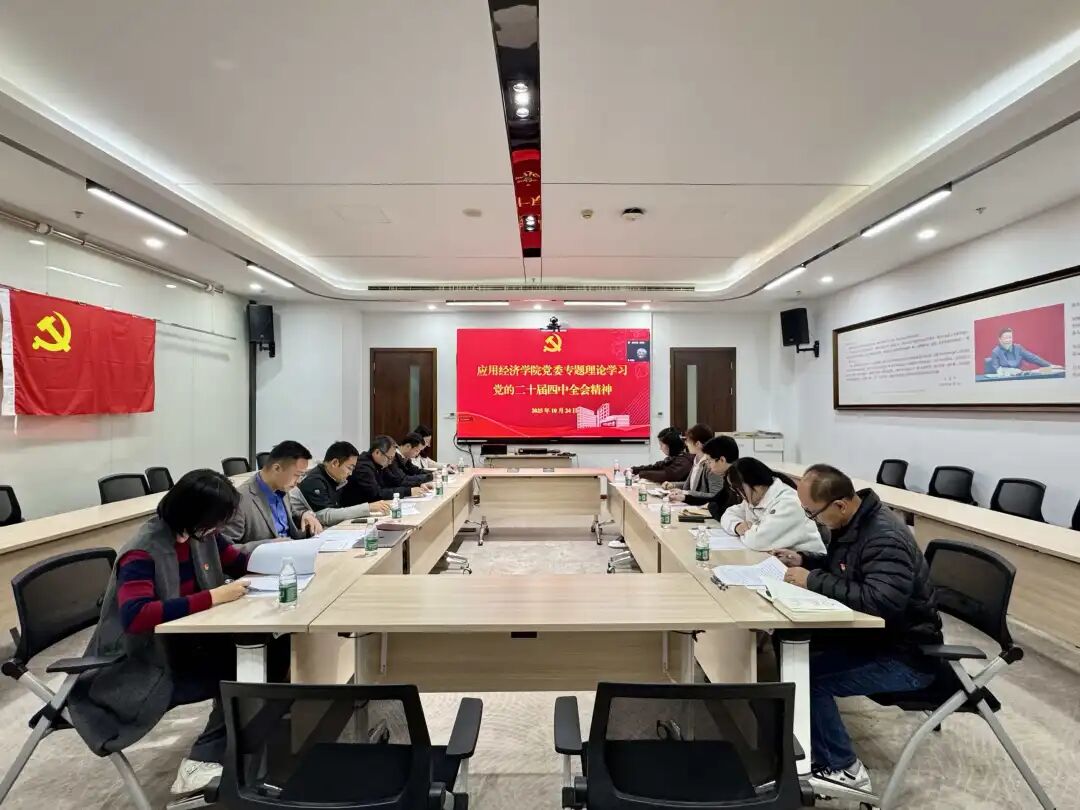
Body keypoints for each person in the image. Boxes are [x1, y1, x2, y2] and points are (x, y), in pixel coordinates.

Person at [67, 469, 285, 796]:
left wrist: (290, 560)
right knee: (246, 666)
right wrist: (213, 596)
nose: (219, 529)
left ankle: (240, 748)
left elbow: (236, 562)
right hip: (144, 663)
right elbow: (137, 615)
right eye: (216, 521)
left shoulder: (200, 533)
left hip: (189, 644)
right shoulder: (143, 551)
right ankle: (202, 761)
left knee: (271, 649)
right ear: (194, 514)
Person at [775, 463, 942, 794]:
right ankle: (804, 740)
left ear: (839, 504)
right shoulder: (854, 523)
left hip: (906, 656)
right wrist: (804, 561)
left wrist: (812, 580)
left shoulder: (884, 537)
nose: (811, 520)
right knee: (791, 650)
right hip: (876, 640)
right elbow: (845, 569)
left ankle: (844, 768)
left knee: (807, 679)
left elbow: (880, 601)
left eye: (812, 513)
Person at [610, 434, 740, 550]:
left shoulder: (737, 480)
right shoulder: (722, 474)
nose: (709, 466)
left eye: (710, 461)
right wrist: (684, 495)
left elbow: (718, 504)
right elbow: (715, 502)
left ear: (722, 460)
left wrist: (688, 496)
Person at [219, 440, 322, 549]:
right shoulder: (240, 500)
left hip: (293, 551)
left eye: (302, 476)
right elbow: (226, 549)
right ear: (276, 468)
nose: (299, 481)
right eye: (297, 475)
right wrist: (268, 545)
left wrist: (305, 515)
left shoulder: (283, 489)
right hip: (265, 558)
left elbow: (290, 515)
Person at [718, 457, 825, 553]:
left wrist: (746, 532)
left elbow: (757, 541)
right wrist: (737, 526)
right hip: (778, 560)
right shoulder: (754, 500)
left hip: (807, 564)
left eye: (739, 489)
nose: (738, 494)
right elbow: (728, 514)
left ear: (757, 483)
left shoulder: (789, 503)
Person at [291, 440, 388, 526]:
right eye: (349, 468)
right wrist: (368, 508)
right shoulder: (314, 480)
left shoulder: (334, 478)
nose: (350, 473)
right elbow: (325, 517)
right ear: (334, 463)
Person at [340, 435, 427, 506]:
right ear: (377, 452)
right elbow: (377, 494)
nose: (390, 462)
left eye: (392, 459)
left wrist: (417, 485)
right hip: (357, 510)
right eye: (389, 458)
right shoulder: (363, 466)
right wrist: (408, 491)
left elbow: (393, 481)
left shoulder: (380, 463)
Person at [663, 424, 724, 501]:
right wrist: (673, 485)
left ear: (698, 444)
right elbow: (692, 485)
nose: (686, 443)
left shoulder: (712, 465)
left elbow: (715, 495)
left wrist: (686, 494)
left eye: (688, 441)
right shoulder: (696, 459)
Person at [988, 327, 1063, 374]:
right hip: (1005, 381)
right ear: (1000, 339)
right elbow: (997, 370)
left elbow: (1033, 358)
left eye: (1010, 337)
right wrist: (1011, 371)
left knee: (1045, 371)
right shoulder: (995, 352)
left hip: (1020, 376)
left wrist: (1049, 365)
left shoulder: (1018, 348)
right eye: (1005, 338)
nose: (1008, 340)